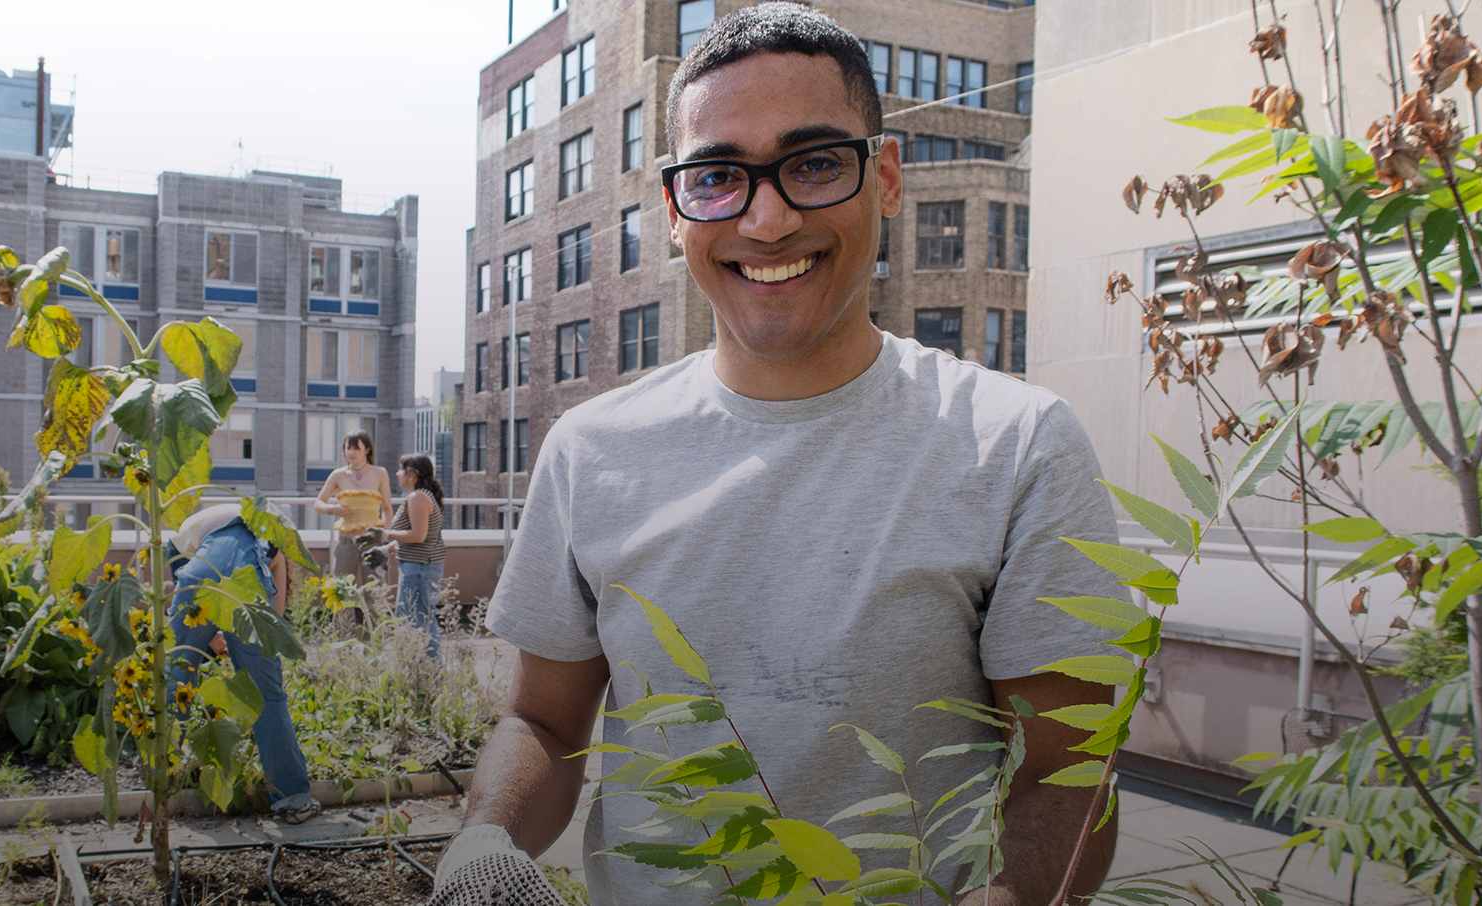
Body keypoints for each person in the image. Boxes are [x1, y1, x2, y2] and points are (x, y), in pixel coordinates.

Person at [431, 6, 1121, 905]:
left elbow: (1066, 776)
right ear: (674, 211)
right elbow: (543, 720)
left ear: (888, 179)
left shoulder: (1017, 447)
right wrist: (483, 841)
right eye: (719, 176)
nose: (767, 218)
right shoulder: (589, 453)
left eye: (816, 164)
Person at [166, 503, 322, 824]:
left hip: (197, 576)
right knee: (266, 695)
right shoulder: (274, 535)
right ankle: (293, 797)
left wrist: (211, 634)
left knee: (175, 678)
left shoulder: (194, 526)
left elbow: (187, 579)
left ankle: (160, 772)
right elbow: (272, 623)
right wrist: (247, 644)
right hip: (247, 588)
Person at [382, 453, 446, 659]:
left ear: (413, 473)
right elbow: (416, 536)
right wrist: (386, 548)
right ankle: (421, 677)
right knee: (417, 620)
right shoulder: (422, 496)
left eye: (401, 468)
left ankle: (428, 678)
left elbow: (418, 536)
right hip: (419, 567)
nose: (397, 473)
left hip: (419, 569)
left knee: (418, 622)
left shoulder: (418, 497)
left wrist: (383, 535)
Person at [312, 430, 392, 581]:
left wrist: (386, 536)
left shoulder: (380, 473)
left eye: (356, 448)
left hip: (372, 541)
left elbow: (387, 507)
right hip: (345, 541)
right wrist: (332, 509)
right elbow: (318, 503)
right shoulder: (338, 474)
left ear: (366, 450)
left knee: (374, 591)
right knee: (342, 589)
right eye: (348, 448)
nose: (351, 452)